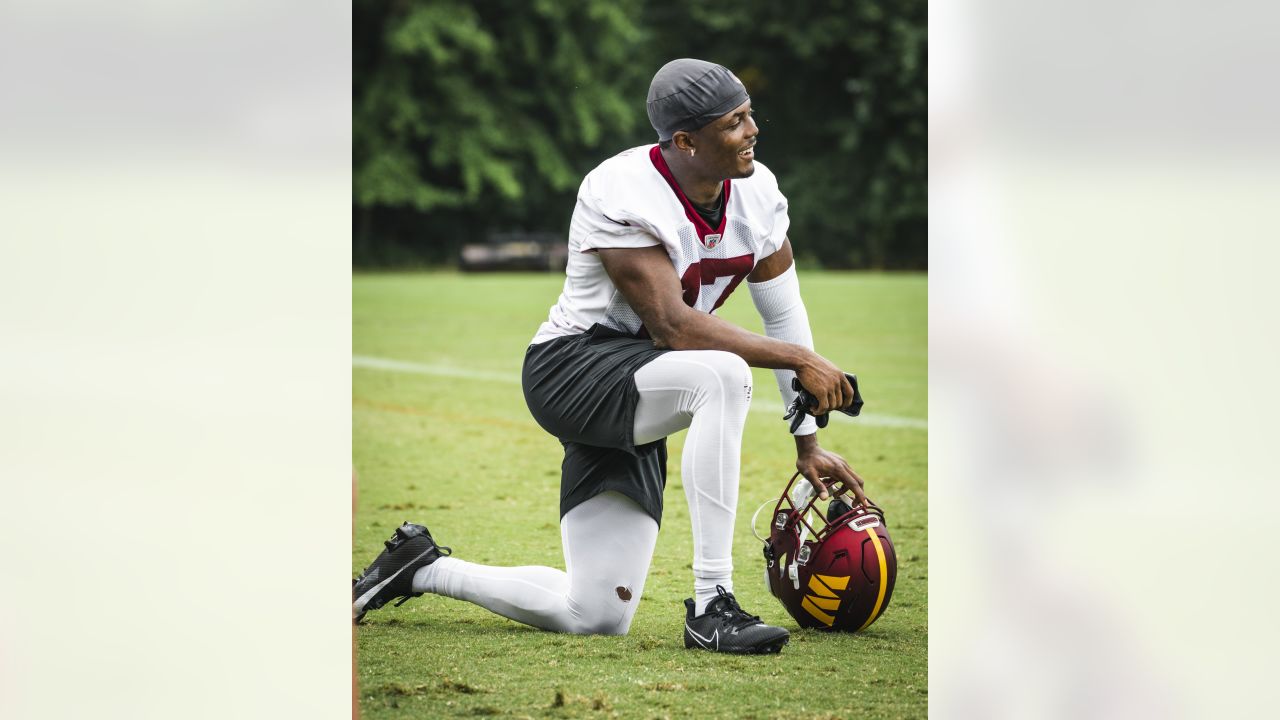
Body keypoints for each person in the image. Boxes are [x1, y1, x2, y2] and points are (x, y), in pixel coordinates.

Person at [353, 58, 867, 654]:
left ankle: (420, 567)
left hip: (648, 383)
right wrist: (800, 358)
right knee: (722, 375)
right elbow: (672, 325)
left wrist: (808, 444)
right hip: (573, 369)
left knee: (596, 613)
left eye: (750, 114)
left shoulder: (759, 192)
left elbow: (782, 314)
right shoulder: (620, 188)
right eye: (735, 121)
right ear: (685, 141)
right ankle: (712, 603)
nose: (754, 129)